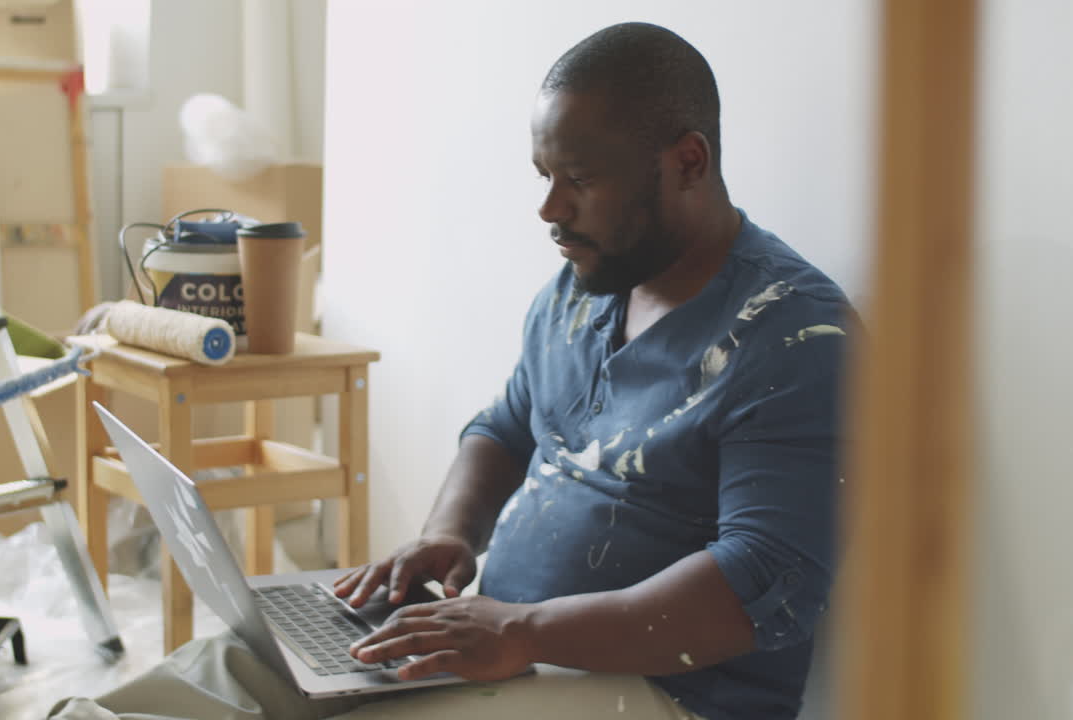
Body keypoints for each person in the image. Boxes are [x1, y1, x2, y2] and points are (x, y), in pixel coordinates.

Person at [49, 21, 852, 720]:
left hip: (664, 697)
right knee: (241, 667)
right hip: (518, 645)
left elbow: (765, 581)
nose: (549, 210)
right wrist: (448, 534)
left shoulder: (792, 335)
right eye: (544, 177)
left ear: (687, 161)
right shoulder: (584, 290)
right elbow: (504, 428)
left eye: (579, 180)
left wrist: (520, 632)